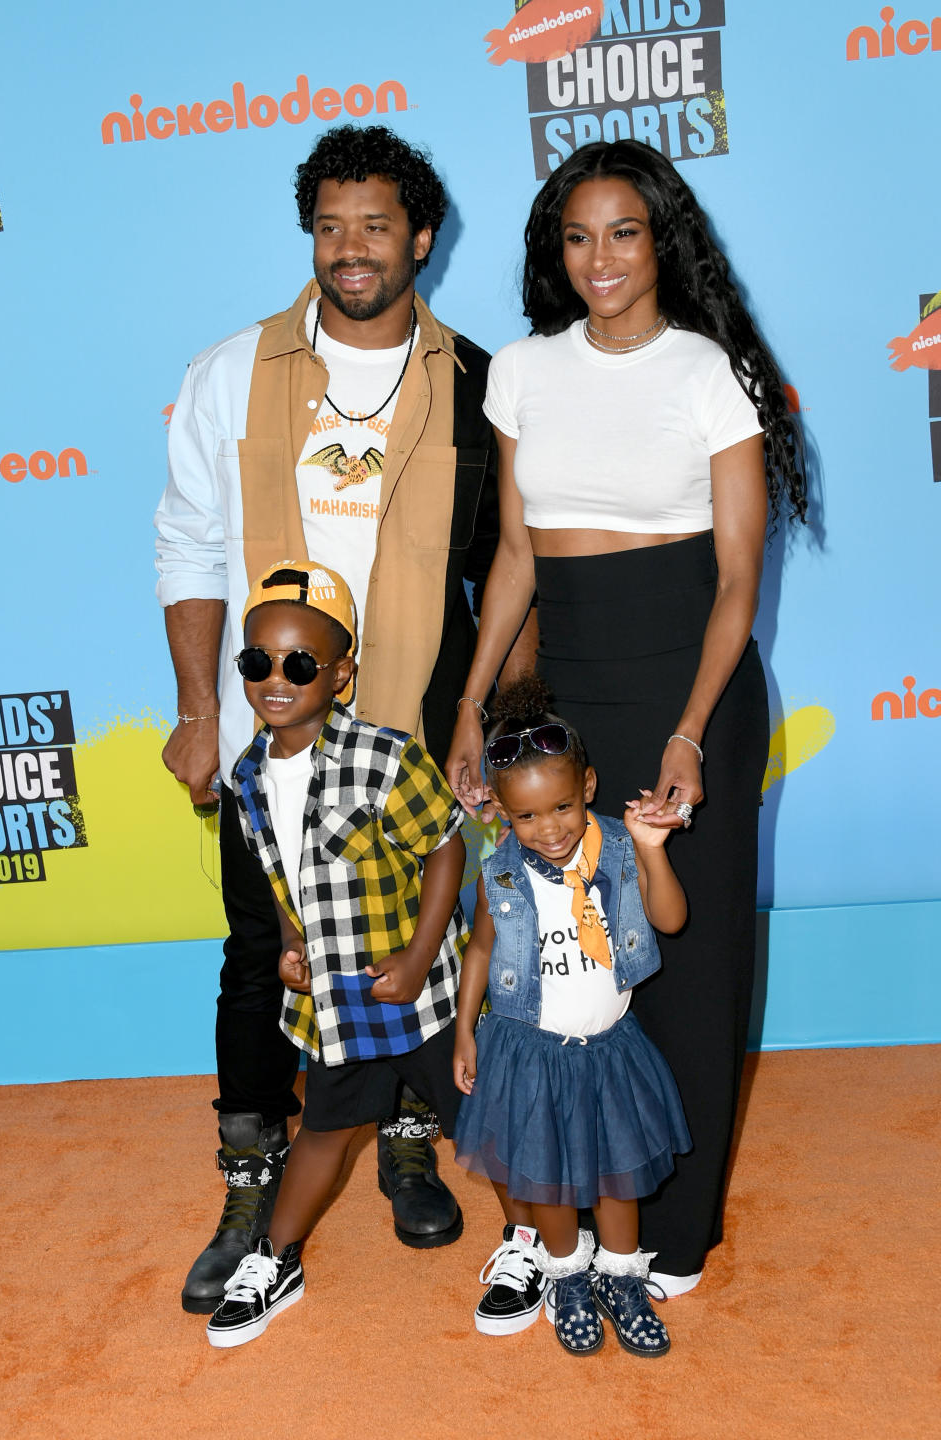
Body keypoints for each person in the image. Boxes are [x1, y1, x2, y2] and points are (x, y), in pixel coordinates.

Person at [155, 124, 528, 1314]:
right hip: (274, 735)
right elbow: (189, 545)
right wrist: (194, 710)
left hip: (418, 720)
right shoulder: (232, 372)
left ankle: (410, 1134)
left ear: (422, 237)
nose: (351, 248)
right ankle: (253, 1174)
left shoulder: (480, 381)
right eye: (330, 225)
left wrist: (491, 719)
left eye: (375, 225)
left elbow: (510, 568)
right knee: (261, 953)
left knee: (423, 935)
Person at [446, 140, 807, 1297]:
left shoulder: (713, 374)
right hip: (570, 692)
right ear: (556, 252)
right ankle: (586, 1216)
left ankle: (673, 1234)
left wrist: (692, 733)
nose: (599, 259)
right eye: (576, 236)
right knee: (574, 967)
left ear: (663, 243)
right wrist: (473, 708)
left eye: (624, 233)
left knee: (686, 962)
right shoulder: (520, 373)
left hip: (691, 684)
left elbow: (741, 583)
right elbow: (512, 557)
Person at [205, 561, 467, 1348]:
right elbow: (282, 876)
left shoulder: (385, 757)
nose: (274, 680)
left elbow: (448, 849)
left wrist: (421, 956)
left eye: (299, 664)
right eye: (256, 662)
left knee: (486, 1123)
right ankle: (274, 1260)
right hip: (335, 1004)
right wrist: (289, 942)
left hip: (419, 995)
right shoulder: (246, 777)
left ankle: (548, 1250)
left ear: (342, 673)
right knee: (322, 1129)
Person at [452, 678, 689, 1356]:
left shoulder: (617, 849)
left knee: (619, 1172)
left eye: (561, 806)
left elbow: (671, 919)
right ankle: (567, 1277)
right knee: (546, 1174)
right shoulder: (497, 874)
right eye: (527, 817)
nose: (549, 828)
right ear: (500, 812)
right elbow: (479, 952)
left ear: (588, 786)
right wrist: (466, 1029)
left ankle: (620, 1276)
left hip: (610, 1048)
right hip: (528, 1050)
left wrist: (650, 849)